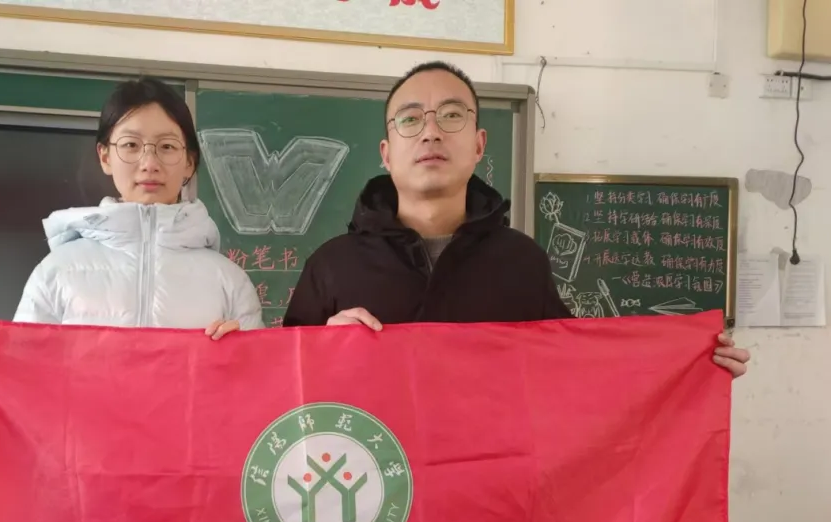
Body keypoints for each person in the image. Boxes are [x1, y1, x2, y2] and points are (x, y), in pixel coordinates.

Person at [282, 61, 750, 378]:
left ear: (479, 145)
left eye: (451, 115)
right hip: (375, 485)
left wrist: (691, 362)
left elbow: (580, 368)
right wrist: (323, 349)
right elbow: (282, 382)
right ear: (387, 153)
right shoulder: (332, 266)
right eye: (410, 119)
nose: (431, 131)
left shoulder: (521, 261)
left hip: (491, 485)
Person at [0, 77, 263, 369]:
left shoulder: (228, 280)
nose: (149, 163)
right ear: (105, 156)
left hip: (188, 444)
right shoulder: (58, 271)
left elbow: (261, 391)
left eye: (167, 146)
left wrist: (243, 357)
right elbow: (15, 374)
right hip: (83, 446)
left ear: (189, 162)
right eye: (131, 145)